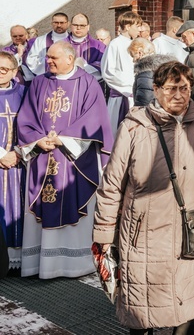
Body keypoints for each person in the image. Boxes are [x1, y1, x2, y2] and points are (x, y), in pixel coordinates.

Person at [93, 61, 194, 335]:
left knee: (191, 305)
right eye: (170, 89)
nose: (178, 95)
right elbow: (112, 184)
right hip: (145, 235)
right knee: (143, 309)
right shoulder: (135, 128)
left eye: (184, 88)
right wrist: (104, 233)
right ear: (155, 90)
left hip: (192, 233)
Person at [17, 41, 113, 278]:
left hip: (75, 158)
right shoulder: (39, 82)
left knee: (73, 201)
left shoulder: (89, 83)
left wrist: (65, 139)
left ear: (70, 58)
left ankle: (76, 264)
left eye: (53, 58)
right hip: (43, 155)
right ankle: (42, 263)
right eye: (47, 57)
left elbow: (95, 119)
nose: (48, 61)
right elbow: (26, 116)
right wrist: (37, 140)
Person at [0, 51, 26, 271]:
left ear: (15, 71)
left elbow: (33, 125)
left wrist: (17, 152)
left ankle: (18, 259)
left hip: (19, 162)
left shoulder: (25, 93)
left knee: (17, 206)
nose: (0, 73)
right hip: (0, 161)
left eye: (4, 69)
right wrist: (1, 155)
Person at [101, 11, 142, 135]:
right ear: (128, 26)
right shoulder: (115, 44)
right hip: (121, 97)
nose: (139, 29)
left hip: (134, 96)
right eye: (137, 26)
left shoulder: (135, 44)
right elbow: (108, 72)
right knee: (118, 134)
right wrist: (129, 87)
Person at [128, 37, 174, 107]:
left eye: (133, 56)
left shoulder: (146, 72)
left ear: (140, 53)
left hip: (150, 114)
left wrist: (138, 114)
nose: (133, 60)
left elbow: (144, 101)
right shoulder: (164, 67)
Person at [66, 13, 106, 81]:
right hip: (67, 82)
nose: (78, 28)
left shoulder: (99, 45)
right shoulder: (61, 44)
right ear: (70, 25)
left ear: (88, 27)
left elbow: (105, 63)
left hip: (92, 82)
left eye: (82, 25)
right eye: (75, 25)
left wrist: (85, 68)